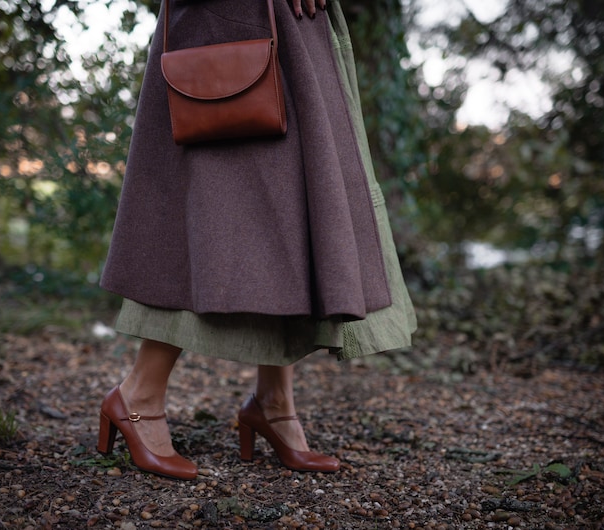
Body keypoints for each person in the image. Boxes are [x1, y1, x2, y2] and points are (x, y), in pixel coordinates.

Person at [97, 0, 416, 480]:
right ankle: (139, 395)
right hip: (225, 26)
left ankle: (274, 401)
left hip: (295, 27)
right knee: (208, 212)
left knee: (291, 210)